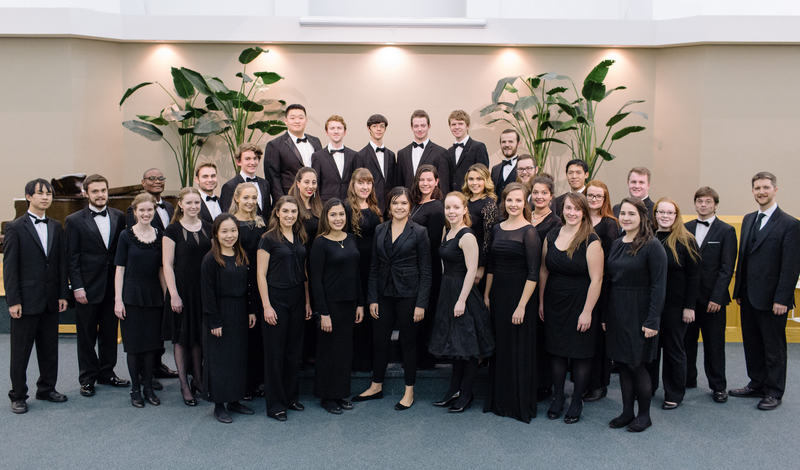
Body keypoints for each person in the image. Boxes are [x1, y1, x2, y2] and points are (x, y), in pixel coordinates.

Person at [354, 187, 432, 410]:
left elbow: (426, 271)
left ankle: (409, 392)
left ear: (410, 207)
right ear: (388, 207)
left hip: (409, 295)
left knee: (408, 344)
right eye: (395, 203)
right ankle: (376, 385)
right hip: (383, 295)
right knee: (379, 342)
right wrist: (372, 298)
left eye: (404, 203)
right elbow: (375, 266)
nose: (399, 207)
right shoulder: (380, 229)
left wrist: (421, 303)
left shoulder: (419, 232)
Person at [730, 172, 800, 411]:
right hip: (748, 296)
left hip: (773, 300)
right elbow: (744, 258)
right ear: (752, 191)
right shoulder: (749, 219)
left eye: (766, 188)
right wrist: (739, 290)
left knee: (773, 347)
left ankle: (774, 391)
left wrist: (782, 298)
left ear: (775, 190)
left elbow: (791, 266)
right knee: (752, 343)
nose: (761, 192)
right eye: (757, 188)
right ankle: (757, 384)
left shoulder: (790, 224)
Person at [5, 179, 69, 414]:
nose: (45, 197)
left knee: (49, 348)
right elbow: (9, 267)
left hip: (51, 298)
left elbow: (60, 263)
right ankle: (18, 395)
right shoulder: (15, 227)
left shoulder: (55, 225)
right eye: (40, 193)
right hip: (25, 300)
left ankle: (47, 388)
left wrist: (63, 293)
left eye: (49, 194)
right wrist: (13, 300)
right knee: (20, 351)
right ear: (28, 197)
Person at [604, 197, 667, 432]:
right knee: (623, 363)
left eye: (631, 214)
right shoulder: (618, 242)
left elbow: (659, 287)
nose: (626, 218)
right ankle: (627, 411)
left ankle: (644, 414)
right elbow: (610, 281)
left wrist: (653, 320)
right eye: (623, 214)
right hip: (617, 310)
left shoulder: (652, 246)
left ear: (642, 217)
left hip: (641, 312)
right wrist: (604, 316)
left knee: (636, 365)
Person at [539, 193, 603, 424]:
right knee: (556, 351)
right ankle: (558, 397)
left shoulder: (591, 240)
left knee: (579, 353)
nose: (572, 213)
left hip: (580, 301)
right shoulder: (552, 234)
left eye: (577, 209)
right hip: (554, 299)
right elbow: (544, 270)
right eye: (568, 208)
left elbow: (597, 279)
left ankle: (577, 399)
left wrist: (587, 311)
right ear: (562, 209)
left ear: (584, 212)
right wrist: (541, 301)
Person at [429, 192, 495, 412]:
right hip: (448, 290)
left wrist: (461, 300)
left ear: (465, 209)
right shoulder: (448, 231)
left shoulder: (467, 235)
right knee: (455, 345)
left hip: (463, 293)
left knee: (468, 347)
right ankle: (453, 391)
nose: (451, 212)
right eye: (448, 208)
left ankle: (466, 394)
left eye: (456, 207)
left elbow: (472, 271)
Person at [65, 174, 129, 398]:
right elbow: (71, 257)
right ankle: (88, 378)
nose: (100, 194)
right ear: (86, 194)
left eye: (103, 190)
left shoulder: (119, 216)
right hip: (87, 287)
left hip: (113, 285)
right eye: (95, 191)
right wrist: (77, 286)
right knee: (86, 335)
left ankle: (107, 372)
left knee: (110, 333)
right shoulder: (74, 220)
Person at [483, 182, 541, 423]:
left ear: (525, 203)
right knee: (501, 347)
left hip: (520, 297)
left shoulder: (530, 232)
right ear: (503, 202)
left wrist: (521, 305)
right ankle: (499, 400)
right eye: (509, 200)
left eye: (518, 200)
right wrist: (486, 294)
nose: (513, 204)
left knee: (518, 349)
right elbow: (492, 265)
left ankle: (517, 404)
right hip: (498, 296)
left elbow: (534, 272)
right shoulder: (496, 228)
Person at [257, 196, 311, 421]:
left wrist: (308, 301)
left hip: (298, 297)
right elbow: (260, 274)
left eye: (294, 212)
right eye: (286, 211)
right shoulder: (267, 239)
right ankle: (276, 404)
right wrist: (266, 306)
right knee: (275, 354)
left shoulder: (300, 236)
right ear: (277, 213)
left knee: (293, 352)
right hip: (276, 299)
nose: (290, 215)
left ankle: (291, 398)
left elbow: (305, 272)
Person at [683, 186, 737, 403]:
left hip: (713, 300)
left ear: (715, 204)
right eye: (699, 201)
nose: (703, 205)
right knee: (686, 342)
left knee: (714, 345)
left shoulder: (726, 231)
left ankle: (718, 386)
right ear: (695, 203)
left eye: (707, 201)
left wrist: (717, 297)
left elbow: (727, 268)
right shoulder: (685, 228)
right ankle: (687, 379)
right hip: (689, 300)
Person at [201, 213, 256, 423]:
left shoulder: (241, 254)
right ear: (216, 233)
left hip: (240, 312)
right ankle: (219, 404)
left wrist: (251, 310)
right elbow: (207, 293)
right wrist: (214, 320)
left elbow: (249, 287)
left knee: (237, 358)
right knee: (220, 361)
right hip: (219, 314)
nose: (229, 235)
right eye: (224, 231)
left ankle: (234, 399)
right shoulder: (210, 259)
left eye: (233, 230)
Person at [646, 197, 701, 410]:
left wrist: (690, 306)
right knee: (650, 350)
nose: (665, 216)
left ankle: (674, 393)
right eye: (661, 212)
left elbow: (694, 276)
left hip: (676, 307)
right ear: (655, 214)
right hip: (651, 306)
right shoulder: (648, 237)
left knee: (673, 350)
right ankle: (648, 388)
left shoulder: (686, 240)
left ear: (676, 216)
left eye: (670, 213)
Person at [310, 199, 364, 414]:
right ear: (326, 217)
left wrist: (360, 304)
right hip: (330, 306)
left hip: (350, 304)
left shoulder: (350, 239)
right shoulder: (320, 243)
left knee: (344, 351)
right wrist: (323, 312)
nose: (338, 219)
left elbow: (356, 274)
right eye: (333, 215)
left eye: (341, 214)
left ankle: (340, 393)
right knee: (328, 351)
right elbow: (316, 280)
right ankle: (327, 396)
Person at [124, 168, 177, 384]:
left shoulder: (171, 206)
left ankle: (156, 365)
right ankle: (144, 374)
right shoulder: (132, 212)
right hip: (144, 275)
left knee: (157, 327)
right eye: (152, 178)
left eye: (161, 178)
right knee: (142, 332)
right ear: (143, 182)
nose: (157, 181)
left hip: (164, 272)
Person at [114, 193, 166, 408]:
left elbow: (163, 270)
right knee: (134, 346)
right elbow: (119, 270)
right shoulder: (125, 236)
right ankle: (135, 389)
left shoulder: (160, 235)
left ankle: (149, 388)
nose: (146, 214)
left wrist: (167, 296)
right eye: (142, 210)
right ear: (135, 212)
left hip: (154, 296)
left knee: (152, 345)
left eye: (150, 210)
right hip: (132, 296)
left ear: (154, 212)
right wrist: (118, 300)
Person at [162, 188, 212, 406]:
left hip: (203, 290)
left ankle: (199, 380)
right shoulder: (172, 230)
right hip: (181, 290)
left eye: (197, 203)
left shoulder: (209, 228)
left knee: (198, 337)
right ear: (180, 204)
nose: (194, 206)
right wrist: (173, 294)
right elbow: (167, 264)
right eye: (189, 203)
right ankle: (184, 384)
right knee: (182, 338)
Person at [582, 180, 620, 401]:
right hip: (580, 286)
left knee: (598, 337)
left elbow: (610, 260)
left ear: (605, 200)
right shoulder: (579, 218)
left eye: (599, 196)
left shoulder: (609, 224)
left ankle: (598, 384)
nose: (594, 200)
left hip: (601, 285)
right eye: (590, 195)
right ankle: (584, 381)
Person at [229, 183, 268, 400]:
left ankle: (255, 383)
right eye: (246, 198)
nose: (250, 202)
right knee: (241, 336)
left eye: (254, 198)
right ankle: (242, 385)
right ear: (236, 198)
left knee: (257, 337)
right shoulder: (230, 222)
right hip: (240, 279)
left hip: (260, 279)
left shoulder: (260, 222)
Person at [345, 169, 383, 373]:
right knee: (356, 314)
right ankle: (355, 361)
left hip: (373, 266)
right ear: (353, 185)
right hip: (354, 266)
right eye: (361, 183)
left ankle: (368, 361)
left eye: (368, 183)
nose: (365, 187)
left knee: (370, 314)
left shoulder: (376, 208)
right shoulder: (346, 208)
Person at [410, 164, 446, 369]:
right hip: (411, 265)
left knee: (425, 310)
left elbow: (432, 242)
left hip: (427, 265)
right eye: (422, 180)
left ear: (436, 182)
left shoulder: (437, 207)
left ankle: (425, 357)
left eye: (429, 180)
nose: (425, 183)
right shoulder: (414, 203)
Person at [529, 173, 562, 399]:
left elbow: (546, 264)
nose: (539, 197)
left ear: (551, 196)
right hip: (519, 282)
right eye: (535, 192)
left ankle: (543, 384)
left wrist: (541, 298)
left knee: (541, 337)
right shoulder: (523, 214)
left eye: (544, 193)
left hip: (542, 284)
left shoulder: (556, 223)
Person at [289, 167, 323, 365]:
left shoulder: (319, 207)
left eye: (314, 182)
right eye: (307, 182)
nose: (311, 186)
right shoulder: (292, 206)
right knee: (303, 307)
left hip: (317, 261)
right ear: (298, 183)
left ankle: (313, 353)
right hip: (299, 261)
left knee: (315, 307)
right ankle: (301, 356)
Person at [264, 103, 323, 202]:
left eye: (301, 118)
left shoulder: (315, 141)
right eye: (292, 118)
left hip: (314, 200)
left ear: (306, 121)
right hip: (290, 199)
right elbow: (273, 179)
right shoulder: (274, 145)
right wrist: (283, 203)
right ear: (286, 121)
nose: (297, 121)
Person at [462, 164, 499, 289]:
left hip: (477, 262)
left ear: (486, 181)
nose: (474, 183)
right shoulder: (464, 201)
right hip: (461, 257)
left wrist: (481, 267)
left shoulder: (489, 204)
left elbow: (488, 240)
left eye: (479, 179)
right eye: (471, 179)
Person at [396, 109, 449, 192]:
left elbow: (443, 185)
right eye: (416, 126)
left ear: (429, 126)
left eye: (423, 125)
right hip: (408, 202)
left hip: (431, 202)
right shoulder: (402, 153)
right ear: (411, 127)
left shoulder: (441, 152)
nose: (419, 129)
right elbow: (399, 184)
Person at [355, 114, 396, 214]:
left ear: (385, 130)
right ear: (368, 128)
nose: (379, 129)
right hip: (369, 206)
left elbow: (394, 182)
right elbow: (357, 184)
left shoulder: (391, 155)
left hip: (389, 207)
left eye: (382, 126)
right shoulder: (360, 155)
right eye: (375, 126)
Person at [312, 115, 358, 203]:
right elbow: (316, 185)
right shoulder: (317, 156)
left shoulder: (354, 155)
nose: (336, 131)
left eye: (339, 128)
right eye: (332, 128)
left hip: (350, 204)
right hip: (326, 205)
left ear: (344, 132)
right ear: (327, 132)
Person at [220, 143, 272, 217]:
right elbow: (227, 215)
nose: (252, 163)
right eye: (247, 159)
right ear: (238, 162)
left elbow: (267, 211)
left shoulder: (265, 183)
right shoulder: (230, 186)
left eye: (255, 158)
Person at [445, 110, 489, 192]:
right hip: (454, 199)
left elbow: (483, 176)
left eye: (460, 124)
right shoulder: (448, 152)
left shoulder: (478, 147)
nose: (457, 127)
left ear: (467, 126)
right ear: (450, 127)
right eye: (453, 124)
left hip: (472, 196)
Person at [490, 129, 521, 197]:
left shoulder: (524, 168)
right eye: (504, 142)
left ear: (518, 144)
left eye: (510, 141)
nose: (507, 145)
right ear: (500, 144)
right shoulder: (495, 169)